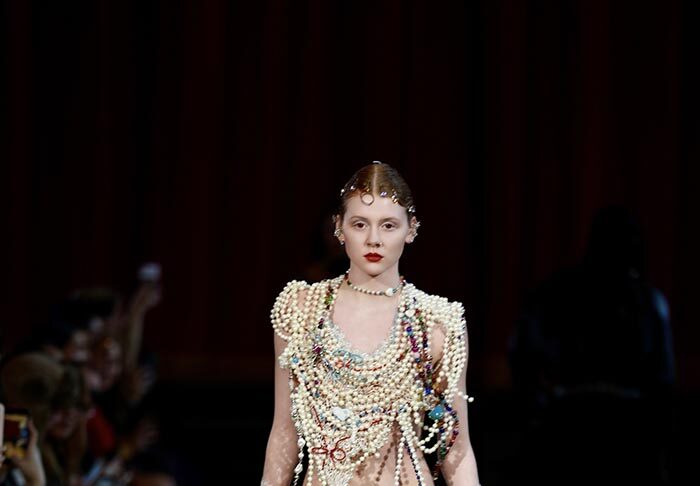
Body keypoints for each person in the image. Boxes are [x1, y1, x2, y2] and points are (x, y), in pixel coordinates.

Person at [262, 162, 480, 486]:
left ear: (411, 229)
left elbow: (455, 448)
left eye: (388, 225)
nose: (374, 239)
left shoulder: (437, 323)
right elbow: (284, 431)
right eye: (360, 224)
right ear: (339, 228)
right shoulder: (301, 311)